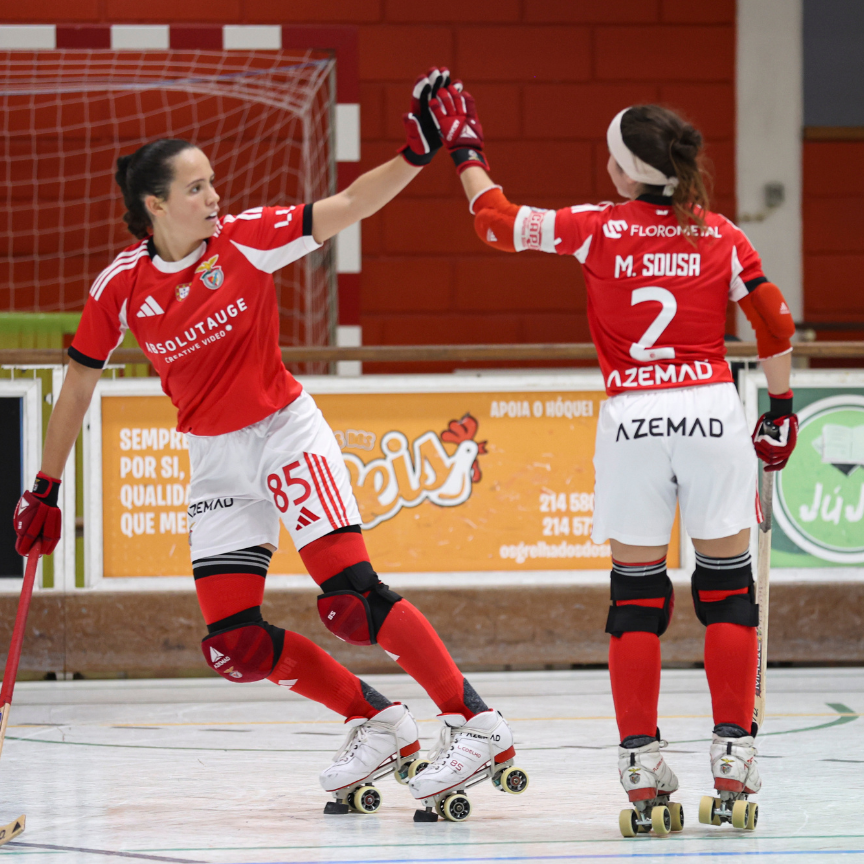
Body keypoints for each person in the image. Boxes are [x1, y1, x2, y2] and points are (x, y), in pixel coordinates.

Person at [12, 70, 523, 822]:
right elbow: (79, 383)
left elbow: (346, 206)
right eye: (196, 188)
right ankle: (379, 721)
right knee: (235, 644)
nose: (214, 196)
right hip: (217, 456)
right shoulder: (120, 285)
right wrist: (45, 487)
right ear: (155, 205)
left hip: (284, 431)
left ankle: (476, 723)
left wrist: (415, 154)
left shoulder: (247, 241)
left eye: (213, 182)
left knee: (350, 599)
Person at [433, 83, 798, 831]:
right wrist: (782, 410)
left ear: (628, 173)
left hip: (633, 419)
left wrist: (466, 147)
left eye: (610, 158)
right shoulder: (722, 234)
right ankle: (735, 755)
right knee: (727, 593)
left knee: (636, 599)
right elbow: (773, 318)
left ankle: (639, 763)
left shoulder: (594, 228)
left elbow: (493, 223)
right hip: (707, 409)